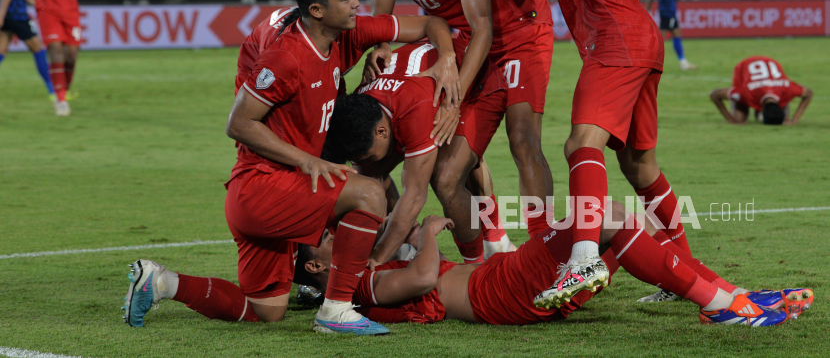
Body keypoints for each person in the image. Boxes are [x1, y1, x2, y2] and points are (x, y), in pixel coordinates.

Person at [122, 0, 460, 335]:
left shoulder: (347, 34)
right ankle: (336, 308)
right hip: (264, 186)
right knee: (368, 193)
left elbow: (431, 23)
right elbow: (238, 122)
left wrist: (446, 58)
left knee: (267, 310)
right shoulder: (286, 58)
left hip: (259, 195)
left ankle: (162, 281)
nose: (356, 4)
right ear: (316, 9)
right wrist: (306, 160)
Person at [459, 0, 689, 307]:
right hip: (640, 37)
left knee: (580, 143)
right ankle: (678, 272)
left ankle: (583, 256)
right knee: (640, 164)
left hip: (616, 39)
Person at [368, 0, 556, 254]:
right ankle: (489, 249)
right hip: (464, 38)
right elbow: (381, 19)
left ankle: (545, 250)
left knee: (522, 139)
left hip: (519, 31)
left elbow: (485, 28)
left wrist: (454, 101)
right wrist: (380, 44)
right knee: (450, 164)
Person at [295, 207, 812, 327]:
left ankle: (732, 297)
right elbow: (425, 279)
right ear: (318, 265)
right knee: (604, 216)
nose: (337, 233)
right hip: (500, 292)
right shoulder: (358, 283)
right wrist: (426, 233)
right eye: (326, 237)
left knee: (622, 225)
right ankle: (725, 305)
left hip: (504, 287)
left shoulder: (360, 270)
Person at [323, 39, 513, 267]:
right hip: (426, 91)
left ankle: (475, 264)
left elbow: (414, 196)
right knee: (370, 178)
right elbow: (372, 188)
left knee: (445, 179)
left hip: (476, 85)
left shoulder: (413, 111)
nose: (367, 162)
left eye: (369, 155)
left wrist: (378, 256)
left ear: (382, 131)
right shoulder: (361, 116)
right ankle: (403, 246)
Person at [710, 56, 812, 125]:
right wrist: (730, 119)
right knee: (739, 120)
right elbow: (714, 95)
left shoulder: (787, 89)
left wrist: (795, 120)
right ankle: (746, 108)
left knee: (779, 118)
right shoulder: (745, 92)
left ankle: (766, 113)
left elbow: (809, 93)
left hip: (776, 86)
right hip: (745, 67)